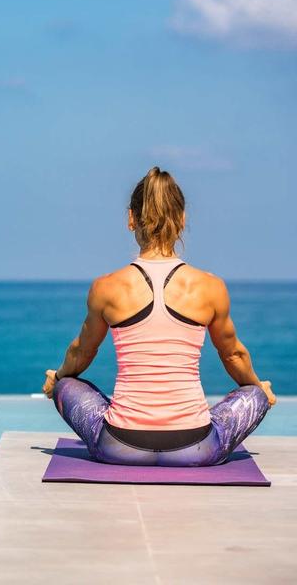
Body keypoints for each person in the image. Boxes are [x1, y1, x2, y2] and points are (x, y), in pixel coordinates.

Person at [42, 167, 276, 466]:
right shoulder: (210, 287)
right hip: (197, 448)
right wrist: (260, 389)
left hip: (119, 447)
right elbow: (234, 356)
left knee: (66, 385)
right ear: (181, 220)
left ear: (131, 219)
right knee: (253, 394)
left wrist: (58, 378)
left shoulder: (107, 287)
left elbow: (81, 352)